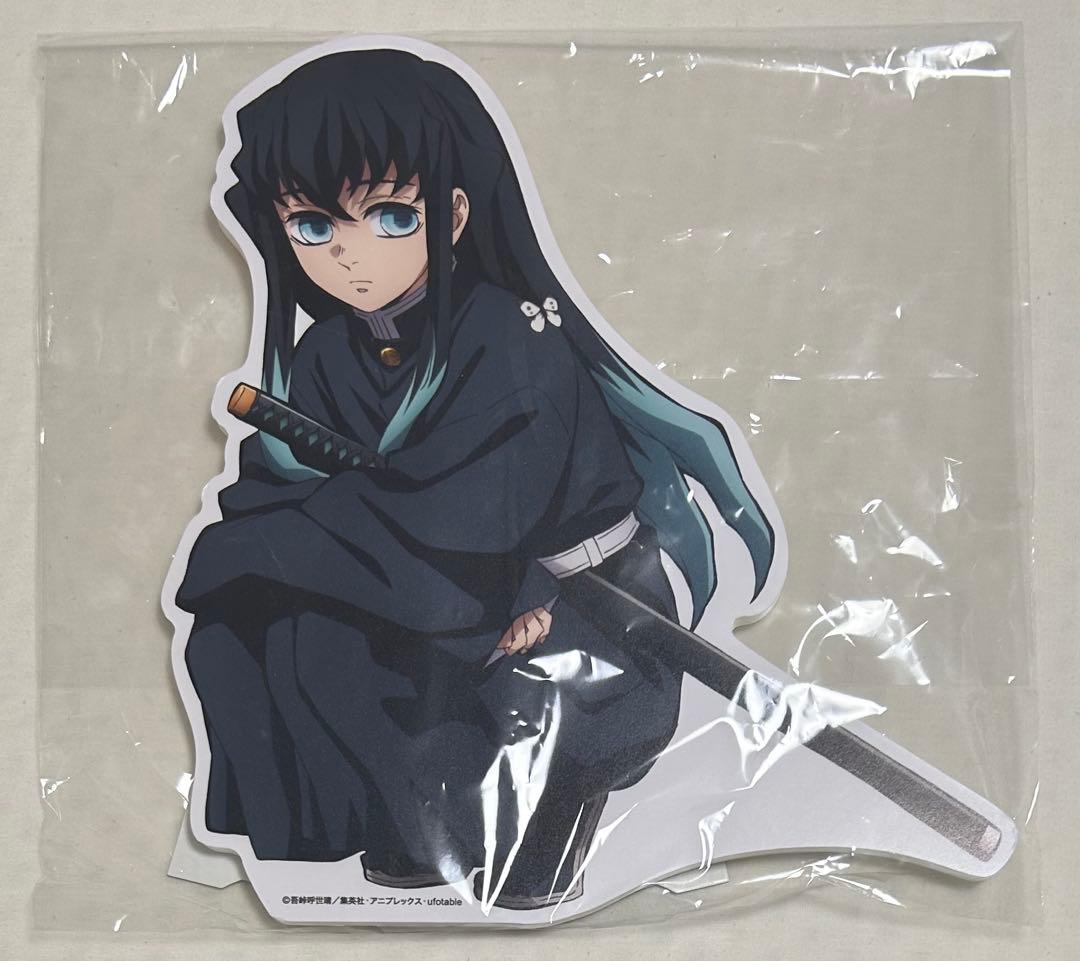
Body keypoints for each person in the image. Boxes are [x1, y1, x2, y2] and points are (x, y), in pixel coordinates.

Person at [175, 47, 775, 910]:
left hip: (577, 609)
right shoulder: (325, 354)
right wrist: (282, 539)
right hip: (432, 600)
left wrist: (330, 531)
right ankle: (406, 819)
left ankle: (533, 821)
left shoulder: (514, 335)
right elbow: (278, 496)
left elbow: (473, 517)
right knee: (268, 622)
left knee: (456, 689)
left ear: (452, 212)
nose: (349, 256)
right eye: (312, 226)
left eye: (389, 215)